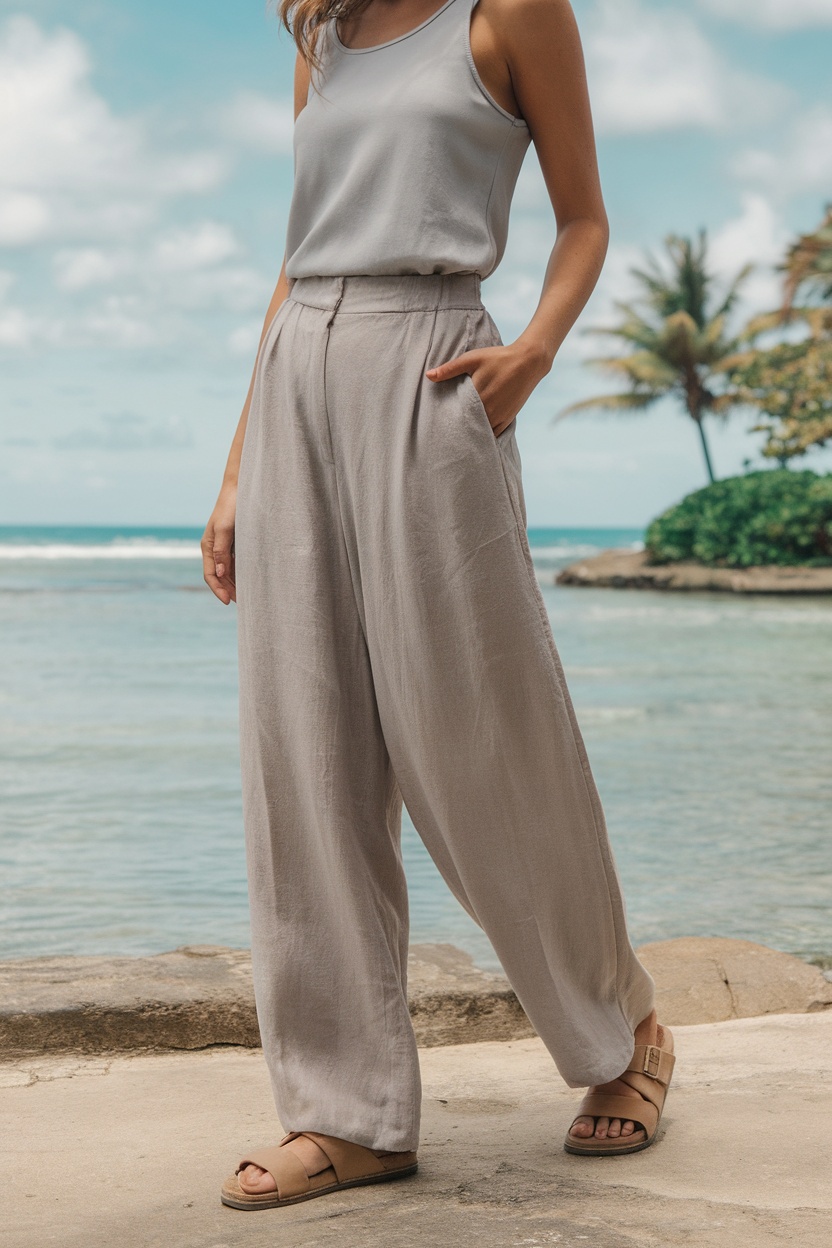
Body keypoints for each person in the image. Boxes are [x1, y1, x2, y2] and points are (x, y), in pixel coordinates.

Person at [203, 0, 675, 1212]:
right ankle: (347, 1113)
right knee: (304, 760)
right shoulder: (325, 31)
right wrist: (238, 469)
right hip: (297, 370)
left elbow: (584, 221)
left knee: (486, 744)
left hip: (432, 373)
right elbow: (295, 257)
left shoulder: (512, 12)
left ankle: (624, 1034)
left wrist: (533, 353)